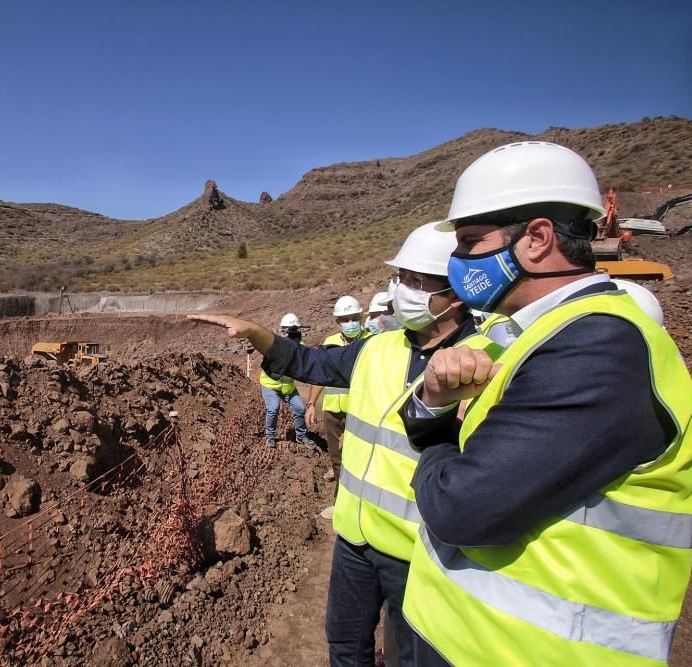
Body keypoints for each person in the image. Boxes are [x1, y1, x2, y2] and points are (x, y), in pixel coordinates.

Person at [398, 141, 692, 666]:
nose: (458, 261)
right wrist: (433, 401)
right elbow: (424, 417)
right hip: (463, 635)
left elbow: (459, 509)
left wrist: (438, 441)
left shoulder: (601, 346)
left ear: (537, 239)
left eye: (471, 241)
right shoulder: (513, 333)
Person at [190, 222, 501, 667]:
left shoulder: (482, 359)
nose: (403, 291)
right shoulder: (376, 349)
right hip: (354, 537)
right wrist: (256, 333)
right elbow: (307, 362)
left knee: (411, 655)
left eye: (417, 282)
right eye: (401, 279)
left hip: (418, 550)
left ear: (454, 295)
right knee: (345, 643)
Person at [305, 295, 373, 521]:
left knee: (363, 459)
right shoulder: (330, 341)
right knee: (338, 459)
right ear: (337, 322)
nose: (351, 323)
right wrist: (312, 403)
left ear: (361, 318)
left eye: (354, 318)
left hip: (362, 412)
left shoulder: (372, 341)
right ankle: (341, 503)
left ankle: (365, 506)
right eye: (345, 319)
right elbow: (320, 375)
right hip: (334, 411)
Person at [258, 313, 317, 450]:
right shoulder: (273, 344)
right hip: (270, 385)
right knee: (273, 409)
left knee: (300, 408)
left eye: (294, 330)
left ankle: (301, 436)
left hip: (288, 387)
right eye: (289, 330)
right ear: (282, 331)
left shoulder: (300, 346)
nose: (291, 333)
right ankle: (270, 437)